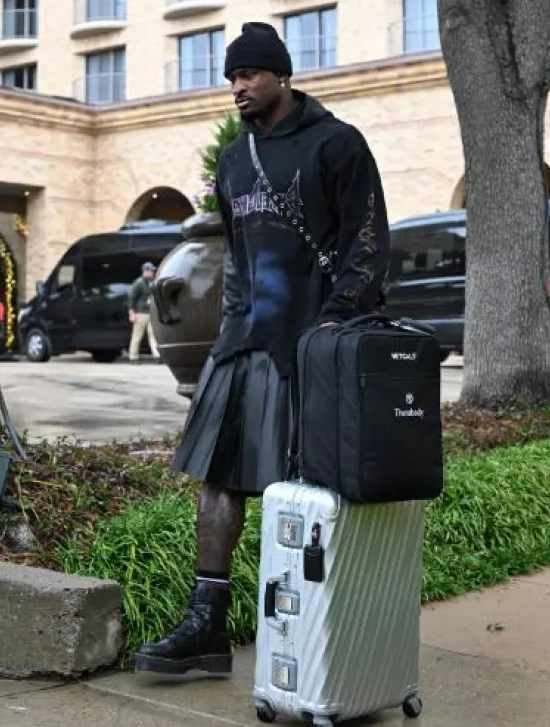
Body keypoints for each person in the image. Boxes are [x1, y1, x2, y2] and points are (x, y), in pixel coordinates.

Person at [133, 22, 390, 675]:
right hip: (242, 340)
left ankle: (319, 633)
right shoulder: (233, 160)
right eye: (231, 77)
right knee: (217, 481)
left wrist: (335, 325)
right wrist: (225, 337)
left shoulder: (337, 144)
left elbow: (367, 244)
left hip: (311, 343)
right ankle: (207, 628)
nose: (238, 87)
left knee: (309, 491)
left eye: (249, 74)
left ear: (281, 74)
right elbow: (240, 257)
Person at [128, 262, 160, 363]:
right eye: (151, 271)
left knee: (153, 335)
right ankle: (133, 357)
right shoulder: (138, 283)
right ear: (145, 271)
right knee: (137, 335)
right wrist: (132, 313)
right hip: (141, 313)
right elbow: (131, 299)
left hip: (151, 312)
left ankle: (157, 356)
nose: (152, 273)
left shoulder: (152, 282)